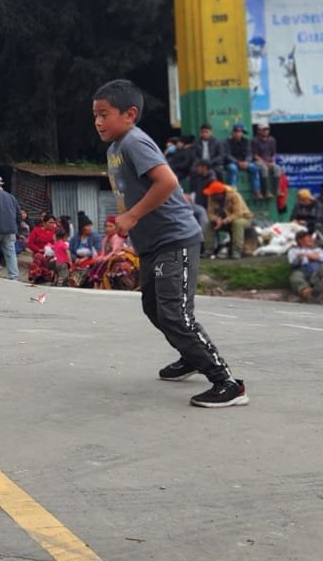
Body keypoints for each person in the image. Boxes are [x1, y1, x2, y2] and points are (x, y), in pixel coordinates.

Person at [94, 79, 247, 408]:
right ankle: (191, 356)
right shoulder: (114, 150)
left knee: (175, 313)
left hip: (175, 239)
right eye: (95, 115)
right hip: (152, 244)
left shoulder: (135, 142)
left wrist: (132, 217)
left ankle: (227, 383)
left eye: (104, 114)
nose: (98, 122)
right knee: (154, 307)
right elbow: (129, 195)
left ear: (130, 114)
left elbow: (167, 181)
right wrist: (124, 225)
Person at [203, 180, 252, 259]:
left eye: (213, 194)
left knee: (237, 223)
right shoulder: (211, 197)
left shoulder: (234, 195)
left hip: (243, 218)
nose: (211, 195)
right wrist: (216, 220)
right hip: (223, 221)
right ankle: (208, 250)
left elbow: (238, 214)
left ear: (219, 194)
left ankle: (237, 251)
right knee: (210, 224)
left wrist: (224, 221)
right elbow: (210, 213)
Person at [287, 228, 323, 301]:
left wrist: (310, 256)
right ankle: (307, 292)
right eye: (308, 237)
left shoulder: (318, 249)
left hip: (316, 268)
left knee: (322, 268)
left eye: (311, 237)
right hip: (301, 269)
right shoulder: (293, 250)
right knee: (295, 277)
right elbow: (293, 263)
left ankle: (317, 284)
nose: (311, 239)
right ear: (300, 240)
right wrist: (301, 258)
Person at [251, 123, 280, 200]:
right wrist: (265, 163)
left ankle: (276, 190)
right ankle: (265, 191)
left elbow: (273, 154)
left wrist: (272, 161)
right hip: (258, 161)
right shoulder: (254, 140)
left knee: (277, 168)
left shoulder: (272, 140)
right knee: (264, 168)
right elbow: (255, 155)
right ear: (258, 131)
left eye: (267, 129)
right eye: (264, 129)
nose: (266, 131)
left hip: (269, 161)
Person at [226, 123, 253, 194]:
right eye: (237, 132)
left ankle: (257, 190)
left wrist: (247, 162)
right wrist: (238, 162)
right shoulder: (227, 142)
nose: (239, 134)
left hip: (244, 163)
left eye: (241, 132)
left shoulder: (246, 141)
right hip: (233, 163)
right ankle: (233, 191)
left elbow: (249, 153)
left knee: (255, 168)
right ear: (233, 133)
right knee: (233, 168)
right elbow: (227, 155)